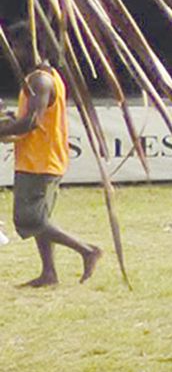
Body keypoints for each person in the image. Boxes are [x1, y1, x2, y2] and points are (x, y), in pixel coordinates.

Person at [1, 26, 101, 287]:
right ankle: (49, 273)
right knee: (40, 219)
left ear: (33, 47)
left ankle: (86, 250)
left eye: (16, 46)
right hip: (39, 157)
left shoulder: (40, 80)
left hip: (40, 160)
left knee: (28, 219)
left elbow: (31, 122)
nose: (12, 53)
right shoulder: (44, 77)